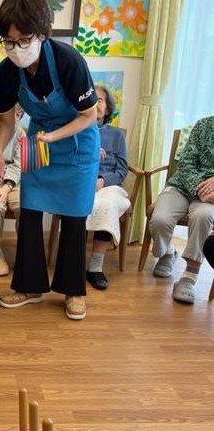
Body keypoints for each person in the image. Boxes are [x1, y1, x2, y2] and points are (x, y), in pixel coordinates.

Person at [0, 0, 100, 320]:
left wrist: (53, 136)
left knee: (74, 218)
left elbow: (89, 116)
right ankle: (29, 287)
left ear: (42, 33)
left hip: (77, 146)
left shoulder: (69, 61)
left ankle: (73, 291)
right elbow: (7, 120)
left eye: (23, 40)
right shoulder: (6, 72)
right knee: (30, 210)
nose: (16, 48)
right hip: (39, 146)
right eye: (9, 41)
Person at [149, 116, 214, 304]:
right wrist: (199, 188)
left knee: (203, 216)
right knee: (160, 220)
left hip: (211, 197)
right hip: (181, 187)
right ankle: (169, 252)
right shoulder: (203, 125)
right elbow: (185, 164)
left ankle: (189, 278)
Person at [85, 85, 130, 290]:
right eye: (92, 99)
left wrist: (102, 180)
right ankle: (74, 263)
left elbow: (122, 169)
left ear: (108, 108)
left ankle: (95, 267)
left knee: (107, 204)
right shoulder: (77, 131)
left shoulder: (117, 135)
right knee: (80, 202)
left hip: (109, 185)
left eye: (100, 100)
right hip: (83, 181)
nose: (95, 104)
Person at [0, 104, 24, 276]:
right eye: (13, 114)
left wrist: (7, 186)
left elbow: (18, 164)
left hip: (11, 182)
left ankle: (24, 251)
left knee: (25, 206)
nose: (16, 119)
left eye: (19, 115)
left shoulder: (20, 133)